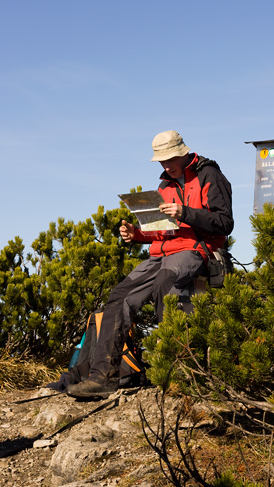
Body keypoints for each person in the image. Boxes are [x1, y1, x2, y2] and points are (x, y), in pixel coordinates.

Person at [66, 130, 233, 398]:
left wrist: (185, 213)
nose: (166, 165)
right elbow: (161, 231)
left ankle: (181, 372)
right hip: (160, 253)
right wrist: (137, 235)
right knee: (120, 295)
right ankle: (102, 377)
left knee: (166, 282)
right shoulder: (164, 186)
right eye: (161, 161)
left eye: (169, 159)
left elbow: (225, 223)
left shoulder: (209, 175)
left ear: (183, 152)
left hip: (197, 250)